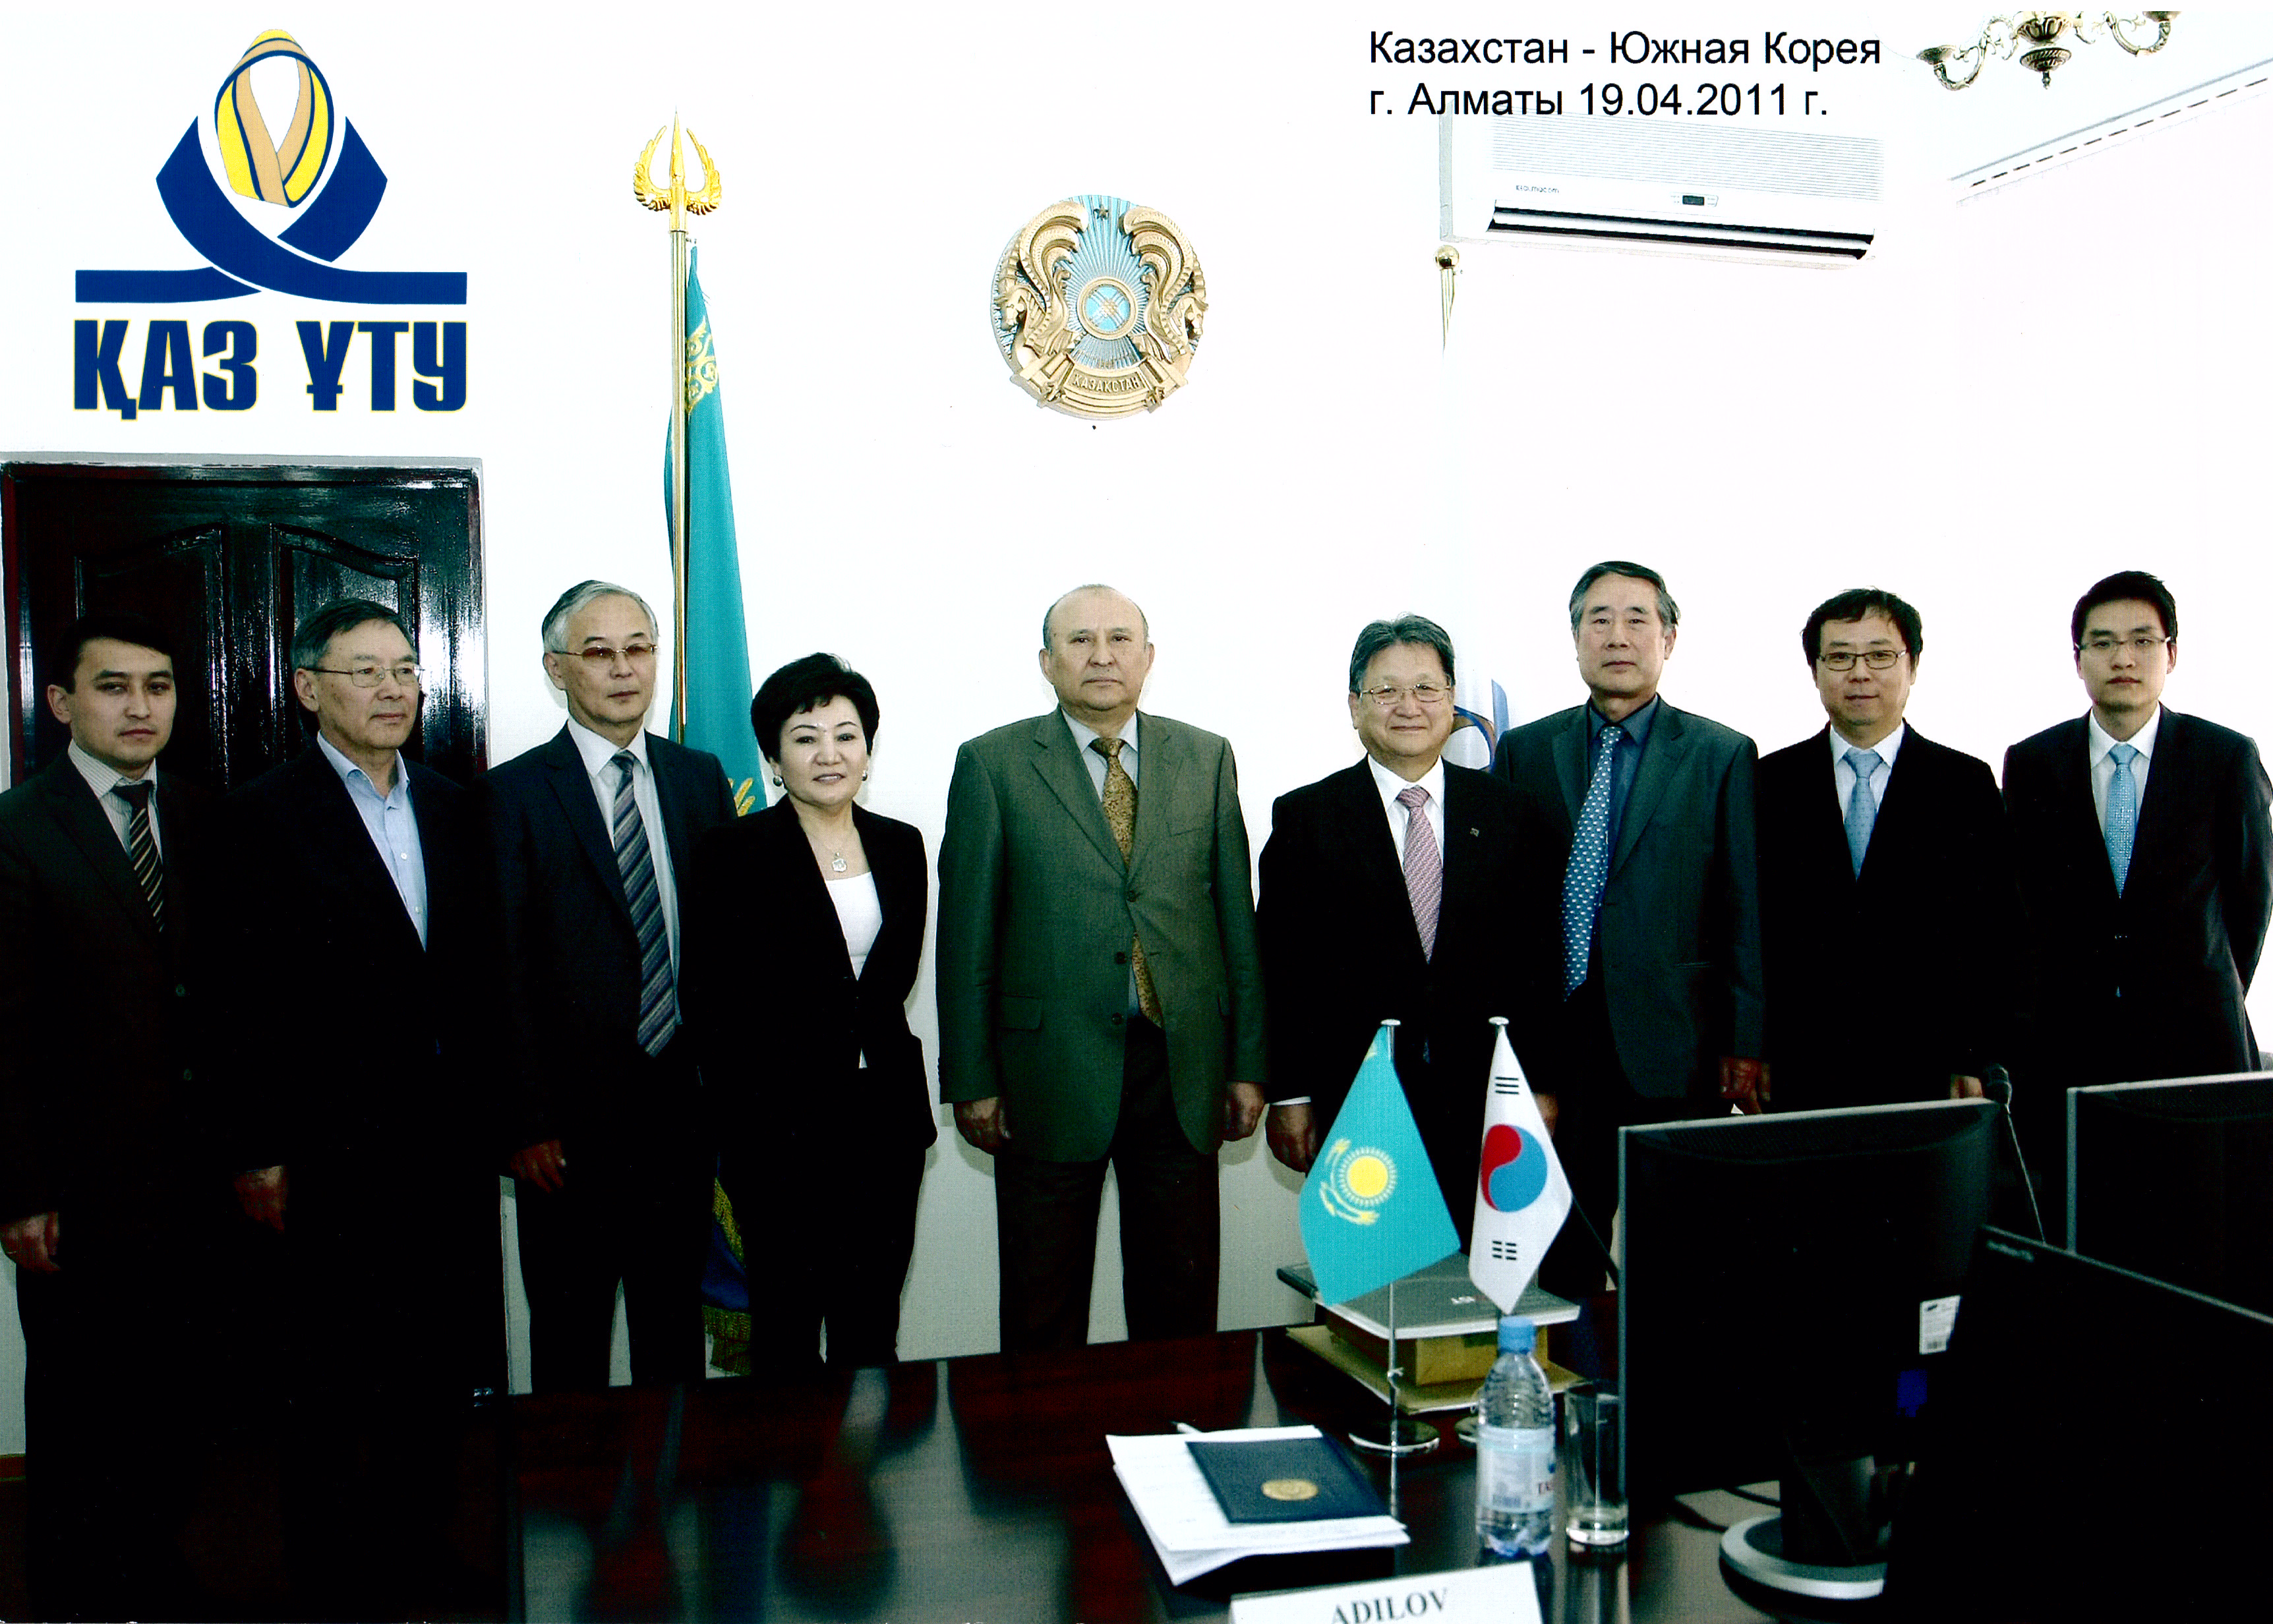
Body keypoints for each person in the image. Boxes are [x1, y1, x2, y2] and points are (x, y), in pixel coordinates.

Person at [211, 597, 502, 1618]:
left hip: (445, 1147)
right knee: (329, 1381)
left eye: (405, 670)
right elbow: (235, 1002)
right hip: (326, 1151)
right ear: (307, 689)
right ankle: (331, 1579)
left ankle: (423, 1554)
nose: (392, 690)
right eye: (365, 671)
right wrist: (255, 1148)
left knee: (433, 1376)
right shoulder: (258, 815)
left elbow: (479, 981)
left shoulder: (458, 806)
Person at [936, 584, 1266, 1350]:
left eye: (1119, 638)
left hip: (1179, 1069)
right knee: (1041, 1308)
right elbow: (966, 937)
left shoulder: (1206, 757)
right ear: (1046, 661)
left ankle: (1175, 1426)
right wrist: (973, 1078)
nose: (1101, 655)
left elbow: (1236, 923)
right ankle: (1042, 1435)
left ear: (1148, 657)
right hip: (1046, 1074)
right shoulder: (993, 764)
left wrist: (1248, 1063)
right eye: (1079, 640)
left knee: (1178, 1306)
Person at [0, 613, 221, 1619]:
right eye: (113, 686)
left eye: (159, 686)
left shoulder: (206, 818)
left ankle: (151, 1568)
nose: (141, 708)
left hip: (195, 1179)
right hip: (77, 1189)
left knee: (176, 1398)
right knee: (79, 1408)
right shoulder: (16, 828)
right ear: (61, 703)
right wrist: (20, 1190)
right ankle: (72, 1593)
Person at [478, 581, 734, 1391]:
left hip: (682, 1116)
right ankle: (571, 1482)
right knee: (570, 1345)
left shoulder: (699, 778)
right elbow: (501, 969)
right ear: (557, 668)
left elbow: (726, 948)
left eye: (638, 648)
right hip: (566, 1134)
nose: (624, 669)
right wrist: (526, 1120)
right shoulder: (512, 793)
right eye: (598, 652)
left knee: (674, 1339)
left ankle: (677, 1476)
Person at [1491, 562, 1765, 1298]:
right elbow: (1508, 914)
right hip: (1560, 1046)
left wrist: (1744, 1041)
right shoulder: (1525, 752)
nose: (1617, 636)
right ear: (1575, 638)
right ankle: (1574, 1371)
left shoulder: (1721, 754)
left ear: (1668, 639)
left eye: (1637, 619)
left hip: (1676, 1044)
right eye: (1599, 619)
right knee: (1562, 1257)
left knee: (1679, 1255)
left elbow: (1742, 908)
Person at [683, 653, 932, 1372]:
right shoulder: (732, 852)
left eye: (846, 736)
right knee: (787, 1331)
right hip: (779, 1128)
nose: (829, 754)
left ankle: (871, 1451)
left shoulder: (902, 845)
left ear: (868, 750)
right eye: (805, 737)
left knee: (871, 1326)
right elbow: (707, 999)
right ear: (772, 757)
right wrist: (745, 1115)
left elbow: (887, 984)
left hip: (884, 1121)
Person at [2004, 569, 2273, 1234]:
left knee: (2203, 1230)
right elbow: (2023, 906)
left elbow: (2250, 899)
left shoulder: (2224, 756)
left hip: (2198, 1041)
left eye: (2141, 640)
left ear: (2170, 654)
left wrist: (2199, 979)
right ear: (2078, 660)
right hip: (2071, 1042)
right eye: (2102, 643)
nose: (2122, 657)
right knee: (2084, 1226)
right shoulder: (2033, 762)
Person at [1256, 614, 1532, 1245]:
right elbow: (1282, 966)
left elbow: (1533, 963)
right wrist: (1291, 1095)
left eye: (1427, 689)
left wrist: (1540, 1086)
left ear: (1452, 700)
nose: (1409, 707)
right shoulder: (1307, 817)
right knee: (1371, 1276)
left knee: (1480, 1279)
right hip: (1357, 1100)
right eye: (1386, 691)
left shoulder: (1510, 813)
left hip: (1486, 1101)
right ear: (1355, 705)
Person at [1757, 588, 2021, 1108]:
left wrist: (1976, 1055)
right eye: (1840, 657)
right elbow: (1751, 930)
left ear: (1913, 665)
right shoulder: (1769, 782)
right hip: (1802, 1063)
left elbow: (1996, 930)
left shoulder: (1965, 783)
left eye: (1880, 655)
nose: (1860, 674)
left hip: (1928, 1063)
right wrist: (1755, 1048)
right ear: (1815, 671)